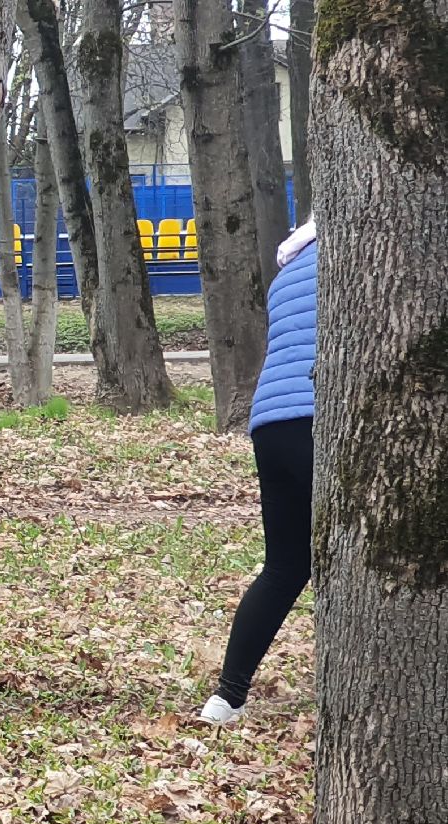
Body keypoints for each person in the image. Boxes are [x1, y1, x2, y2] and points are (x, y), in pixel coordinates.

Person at [200, 219, 317, 723]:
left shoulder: (289, 267)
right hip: (322, 415)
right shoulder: (367, 247)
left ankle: (226, 698)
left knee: (285, 565)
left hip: (271, 422)